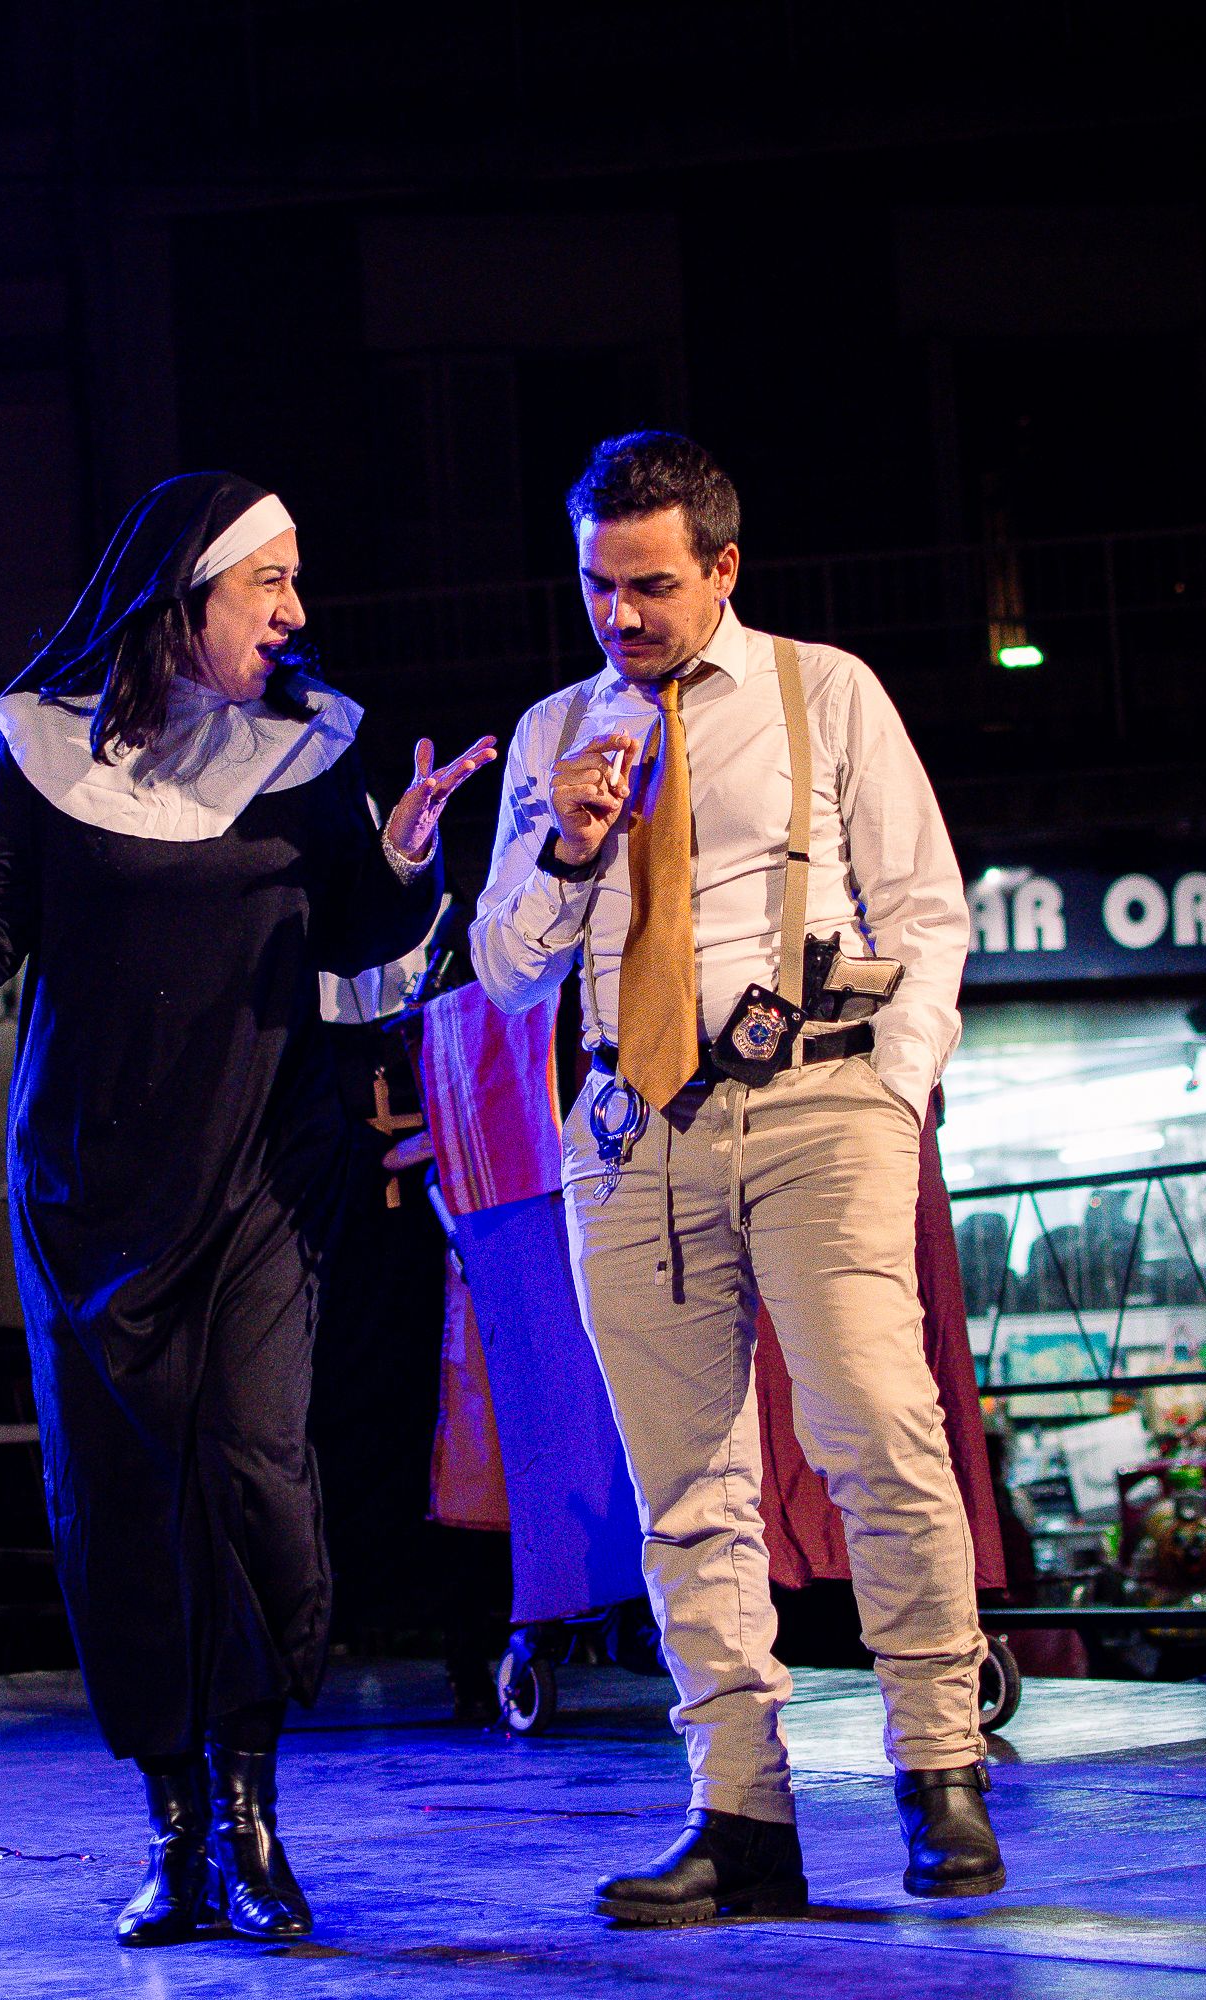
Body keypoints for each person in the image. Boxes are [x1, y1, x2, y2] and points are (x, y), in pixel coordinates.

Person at [0, 471, 493, 1944]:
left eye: (296, 583)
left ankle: (253, 1810)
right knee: (121, 1508)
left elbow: (358, 934)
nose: (296, 611)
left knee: (258, 1478)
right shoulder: (38, 753)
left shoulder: (312, 746)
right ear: (187, 595)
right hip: (89, 1196)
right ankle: (176, 1829)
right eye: (268, 583)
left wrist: (405, 849)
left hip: (265, 1180)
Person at [470, 432, 994, 1924]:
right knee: (684, 1492)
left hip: (819, 1102)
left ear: (722, 569)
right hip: (631, 1131)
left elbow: (930, 908)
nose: (621, 618)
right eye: (596, 587)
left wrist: (891, 1092)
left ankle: (938, 1767)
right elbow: (505, 974)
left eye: (649, 586)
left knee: (876, 1431)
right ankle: (740, 1816)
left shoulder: (822, 692)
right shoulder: (552, 731)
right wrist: (567, 846)